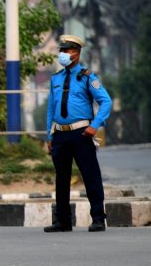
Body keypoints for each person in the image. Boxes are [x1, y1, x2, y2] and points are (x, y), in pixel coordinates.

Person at [44, 35, 112, 232]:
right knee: (61, 178)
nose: (62, 54)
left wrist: (96, 125)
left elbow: (106, 101)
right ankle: (62, 220)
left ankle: (98, 218)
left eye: (66, 51)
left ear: (76, 53)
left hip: (82, 134)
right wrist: (50, 135)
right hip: (60, 135)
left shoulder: (87, 76)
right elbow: (51, 109)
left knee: (91, 175)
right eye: (61, 51)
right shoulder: (55, 79)